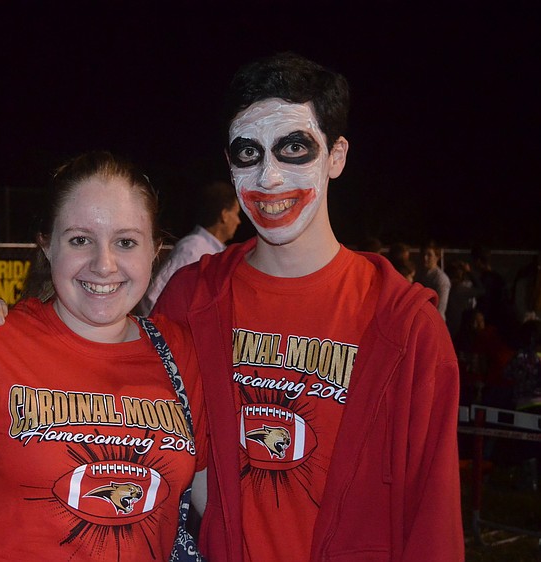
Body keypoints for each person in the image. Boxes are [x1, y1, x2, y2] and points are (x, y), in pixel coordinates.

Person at [151, 52, 464, 561]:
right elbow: (104, 394)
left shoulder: (408, 327)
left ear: (336, 156)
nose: (269, 178)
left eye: (294, 147)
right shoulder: (190, 299)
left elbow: (435, 521)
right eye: (248, 153)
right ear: (229, 164)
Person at [0, 151, 208, 560]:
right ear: (47, 245)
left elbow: (224, 500)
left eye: (126, 242)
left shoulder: (182, 354)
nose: (104, 265)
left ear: (156, 250)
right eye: (80, 240)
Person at [138, 180, 241, 314]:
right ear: (225, 215)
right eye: (236, 213)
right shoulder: (193, 249)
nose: (239, 221)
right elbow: (153, 298)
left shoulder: (215, 251)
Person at [415, 240, 451, 319]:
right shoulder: (419, 273)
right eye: (423, 254)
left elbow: (440, 309)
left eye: (429, 255)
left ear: (437, 256)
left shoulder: (441, 279)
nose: (425, 258)